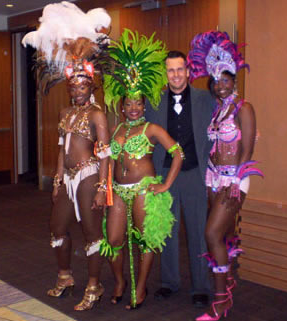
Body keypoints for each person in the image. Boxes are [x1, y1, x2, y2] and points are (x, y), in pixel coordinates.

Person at [22, 2, 117, 311]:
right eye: (72, 84)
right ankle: (65, 277)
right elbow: (62, 147)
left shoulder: (97, 114)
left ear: (90, 85)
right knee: (57, 228)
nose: (76, 89)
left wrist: (103, 188)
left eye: (81, 84)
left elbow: (105, 154)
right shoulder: (64, 112)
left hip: (90, 176)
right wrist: (57, 176)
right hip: (67, 176)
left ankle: (94, 283)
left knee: (91, 232)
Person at [99, 29, 184, 309]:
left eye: (138, 103)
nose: (133, 107)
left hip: (143, 190)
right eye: (128, 103)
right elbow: (109, 159)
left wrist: (165, 184)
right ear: (122, 107)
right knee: (113, 239)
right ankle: (121, 282)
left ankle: (141, 285)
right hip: (119, 191)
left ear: (144, 105)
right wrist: (106, 183)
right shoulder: (117, 128)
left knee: (144, 240)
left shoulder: (152, 128)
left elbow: (177, 153)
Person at [187, 30, 263, 320]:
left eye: (226, 80)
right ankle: (228, 280)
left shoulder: (245, 108)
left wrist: (234, 181)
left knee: (212, 233)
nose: (220, 86)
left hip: (234, 177)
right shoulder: (218, 110)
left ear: (234, 80)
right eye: (216, 81)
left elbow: (247, 148)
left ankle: (220, 301)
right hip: (212, 176)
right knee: (225, 233)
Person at [145, 50, 216, 307]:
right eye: (170, 70)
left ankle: (200, 286)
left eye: (179, 69)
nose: (175, 74)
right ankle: (169, 282)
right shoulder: (153, 102)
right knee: (167, 229)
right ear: (166, 74)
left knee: (198, 230)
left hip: (195, 173)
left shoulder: (205, 99)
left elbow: (226, 117)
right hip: (164, 172)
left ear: (188, 71)